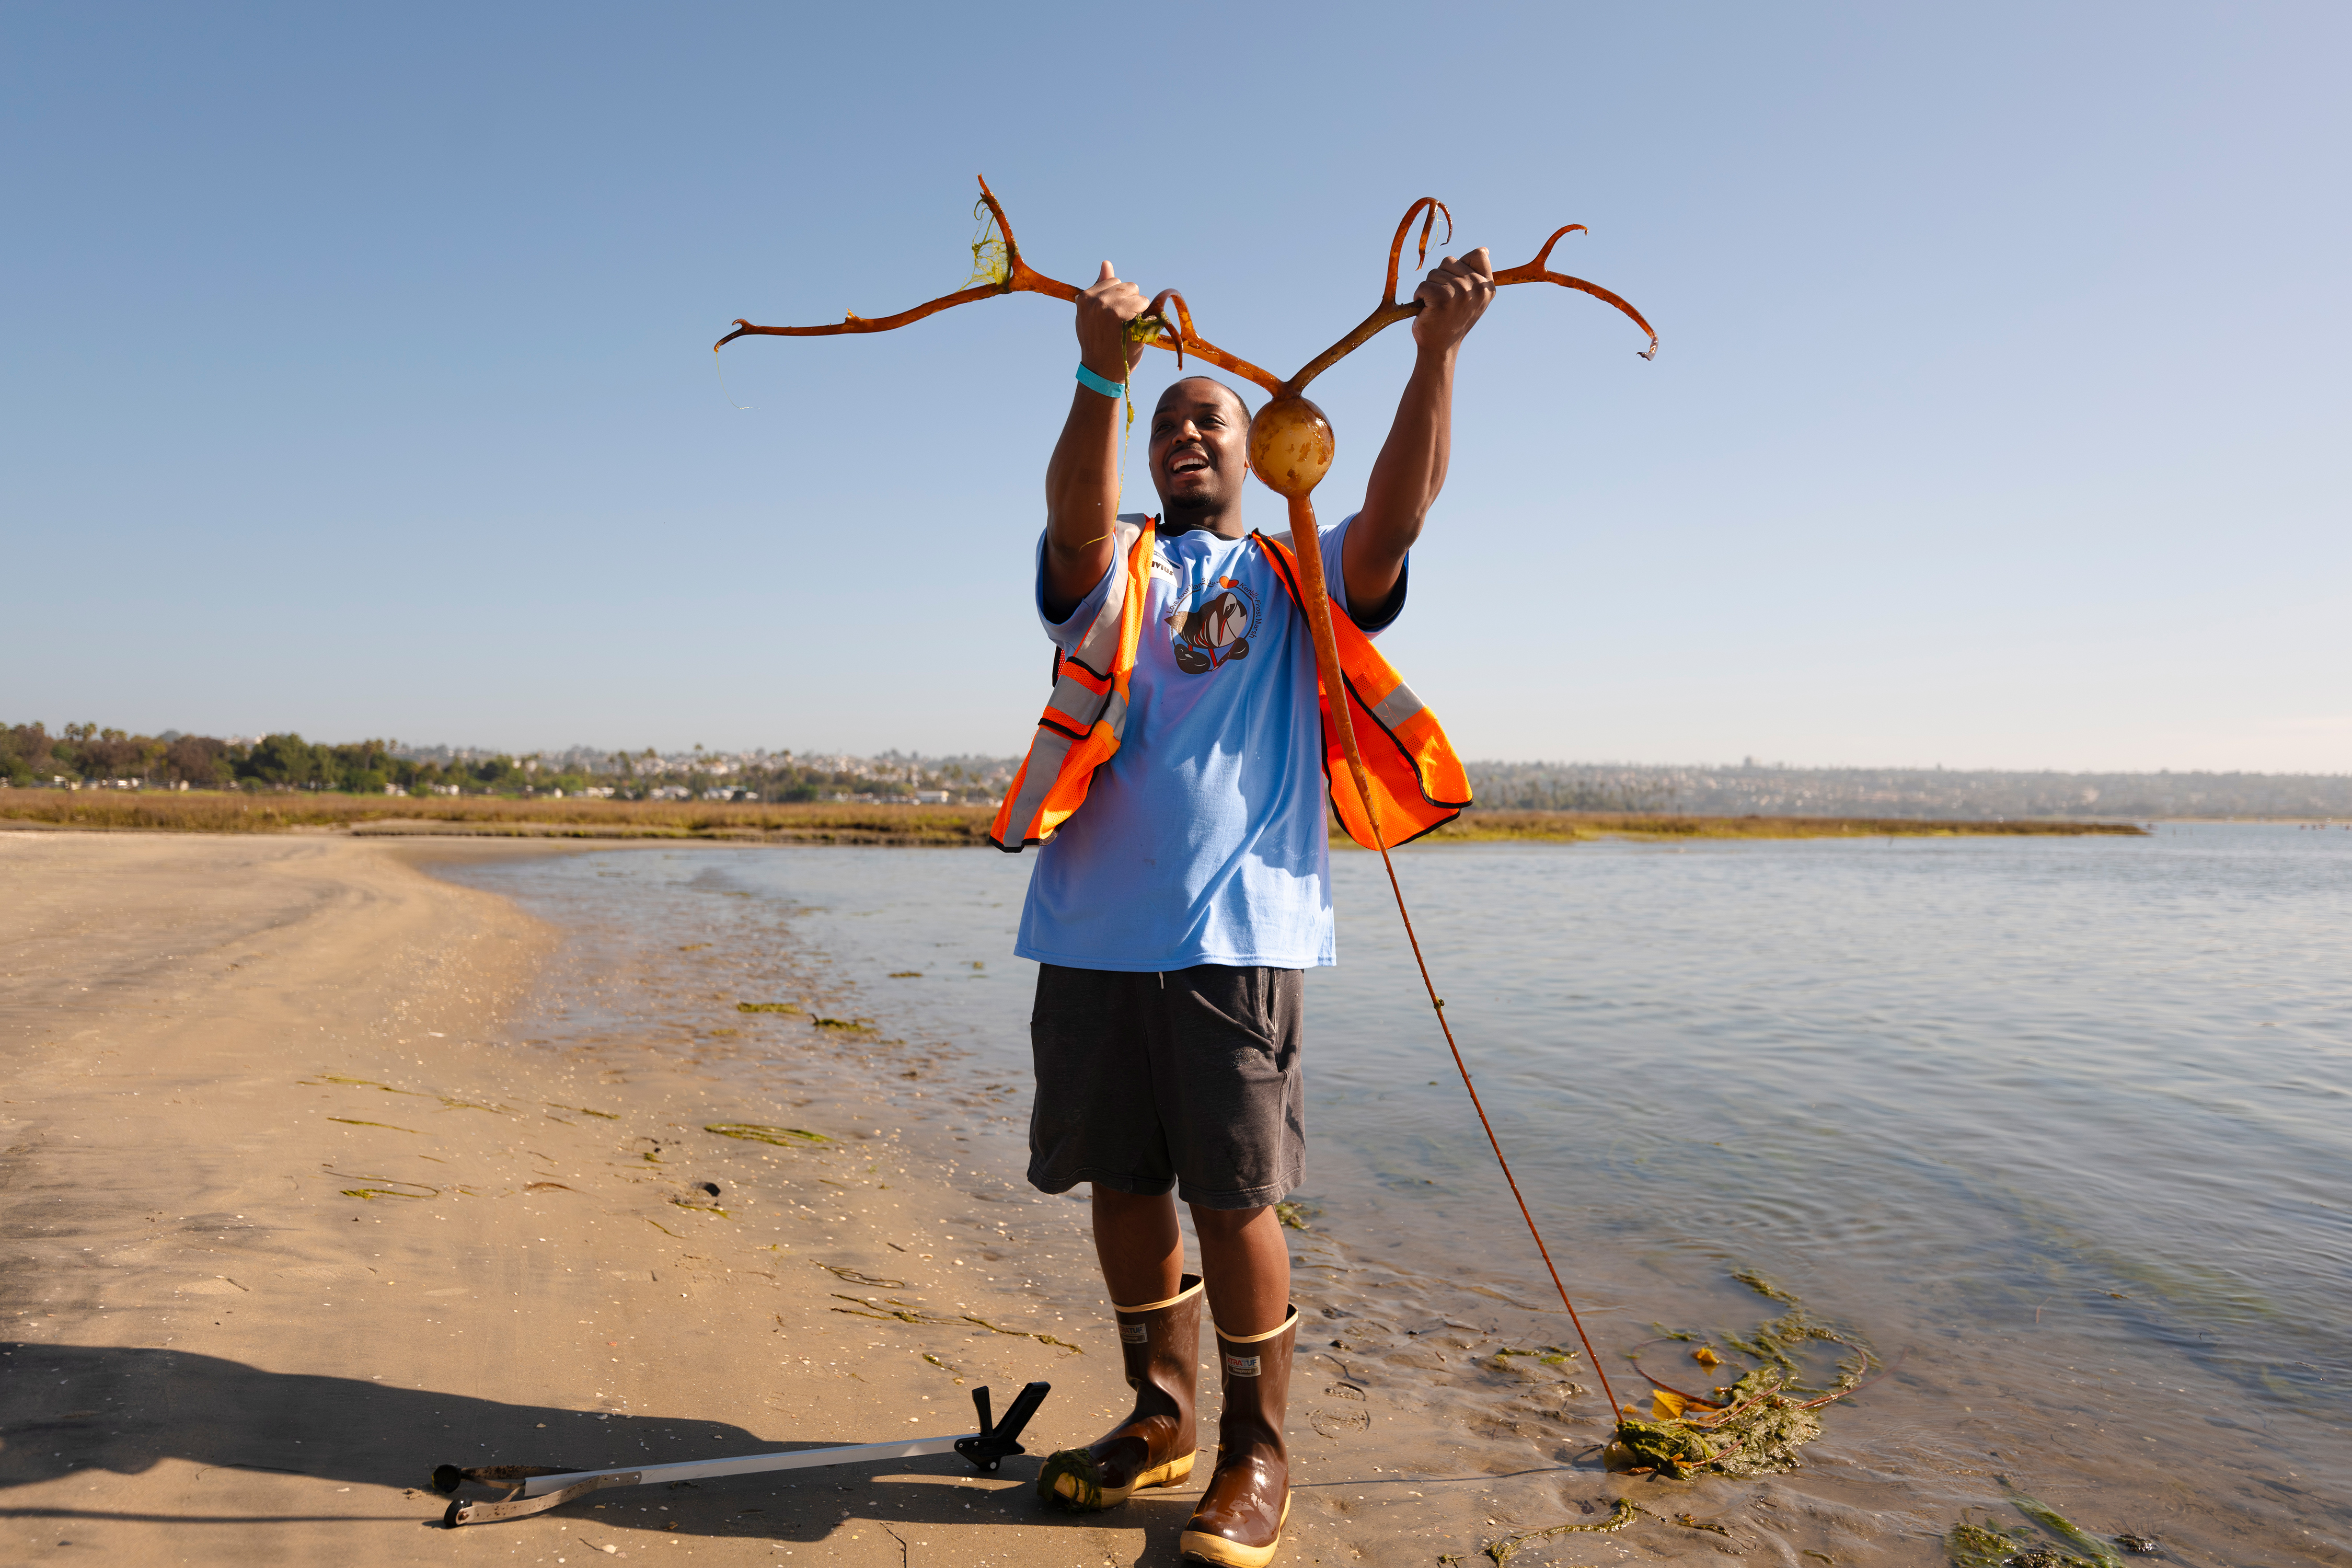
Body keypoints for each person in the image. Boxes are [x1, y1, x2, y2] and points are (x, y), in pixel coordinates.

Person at [999, 245, 1493, 1568]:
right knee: (1120, 1185)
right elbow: (1067, 525)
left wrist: (1434, 356)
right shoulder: (1121, 580)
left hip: (1238, 939)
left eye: (1206, 417)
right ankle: (1161, 1415)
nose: (1185, 436)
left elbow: (1397, 519)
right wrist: (1104, 376)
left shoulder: (1293, 579)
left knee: (1235, 1198)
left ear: (1272, 445)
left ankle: (1259, 1454)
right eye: (1167, 425)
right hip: (1090, 933)